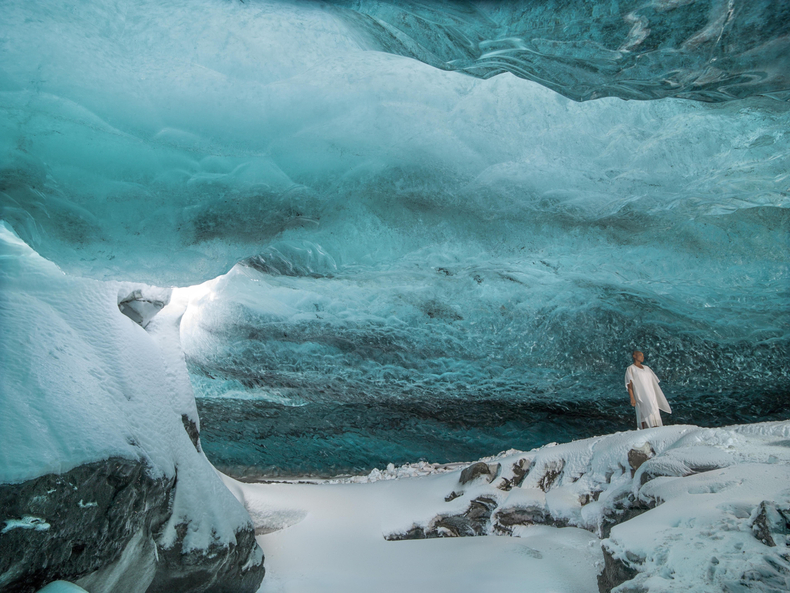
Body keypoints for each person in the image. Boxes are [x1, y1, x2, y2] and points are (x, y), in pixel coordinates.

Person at [626, 350, 671, 429]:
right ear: (634, 356)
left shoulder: (647, 368)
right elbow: (630, 385)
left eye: (643, 355)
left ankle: (656, 429)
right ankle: (644, 431)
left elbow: (654, 382)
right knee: (643, 412)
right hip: (640, 394)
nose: (642, 357)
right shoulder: (631, 368)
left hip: (651, 394)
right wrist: (632, 398)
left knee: (654, 411)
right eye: (640, 355)